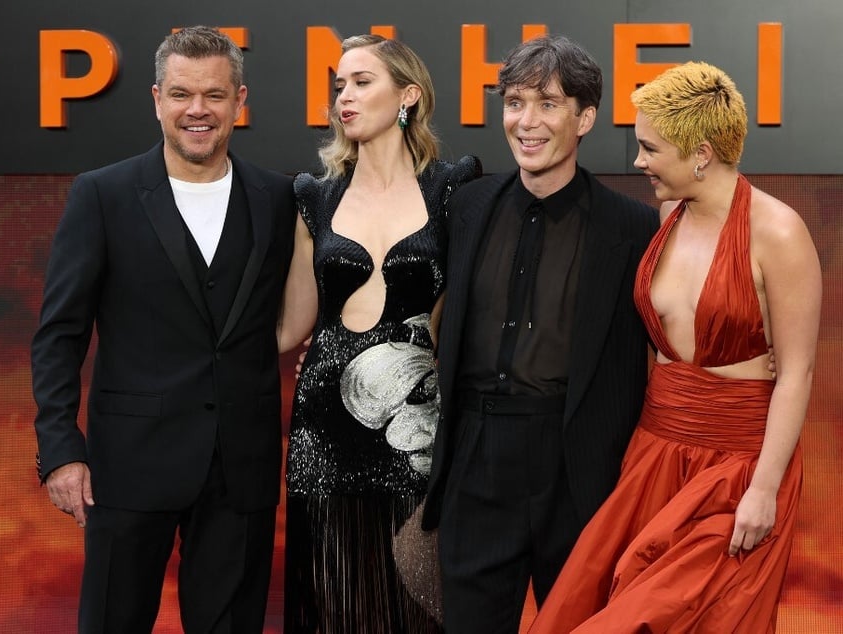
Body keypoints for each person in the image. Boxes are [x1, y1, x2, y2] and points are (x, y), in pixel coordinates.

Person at [530, 62, 822, 632]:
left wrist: (763, 490)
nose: (638, 162)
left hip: (735, 473)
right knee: (588, 610)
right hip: (654, 458)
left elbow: (798, 373)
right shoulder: (667, 216)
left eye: (649, 148)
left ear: (701, 154)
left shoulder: (779, 233)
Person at [30, 26, 295, 633]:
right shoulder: (102, 194)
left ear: (240, 100)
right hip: (126, 467)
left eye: (214, 95)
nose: (197, 110)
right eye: (181, 94)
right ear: (156, 99)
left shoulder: (278, 197)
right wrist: (61, 451)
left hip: (241, 468)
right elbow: (59, 335)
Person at [421, 34, 659, 633]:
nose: (526, 122)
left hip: (576, 468)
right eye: (514, 102)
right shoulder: (469, 206)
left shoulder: (632, 227)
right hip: (475, 457)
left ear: (585, 118)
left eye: (548, 104)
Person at [277, 34, 481, 633]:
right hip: (323, 432)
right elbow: (292, 324)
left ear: (408, 96)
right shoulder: (314, 196)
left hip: (415, 427)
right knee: (335, 598)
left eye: (362, 82)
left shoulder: (454, 189)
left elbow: (464, 311)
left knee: (414, 602)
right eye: (339, 84)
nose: (345, 95)